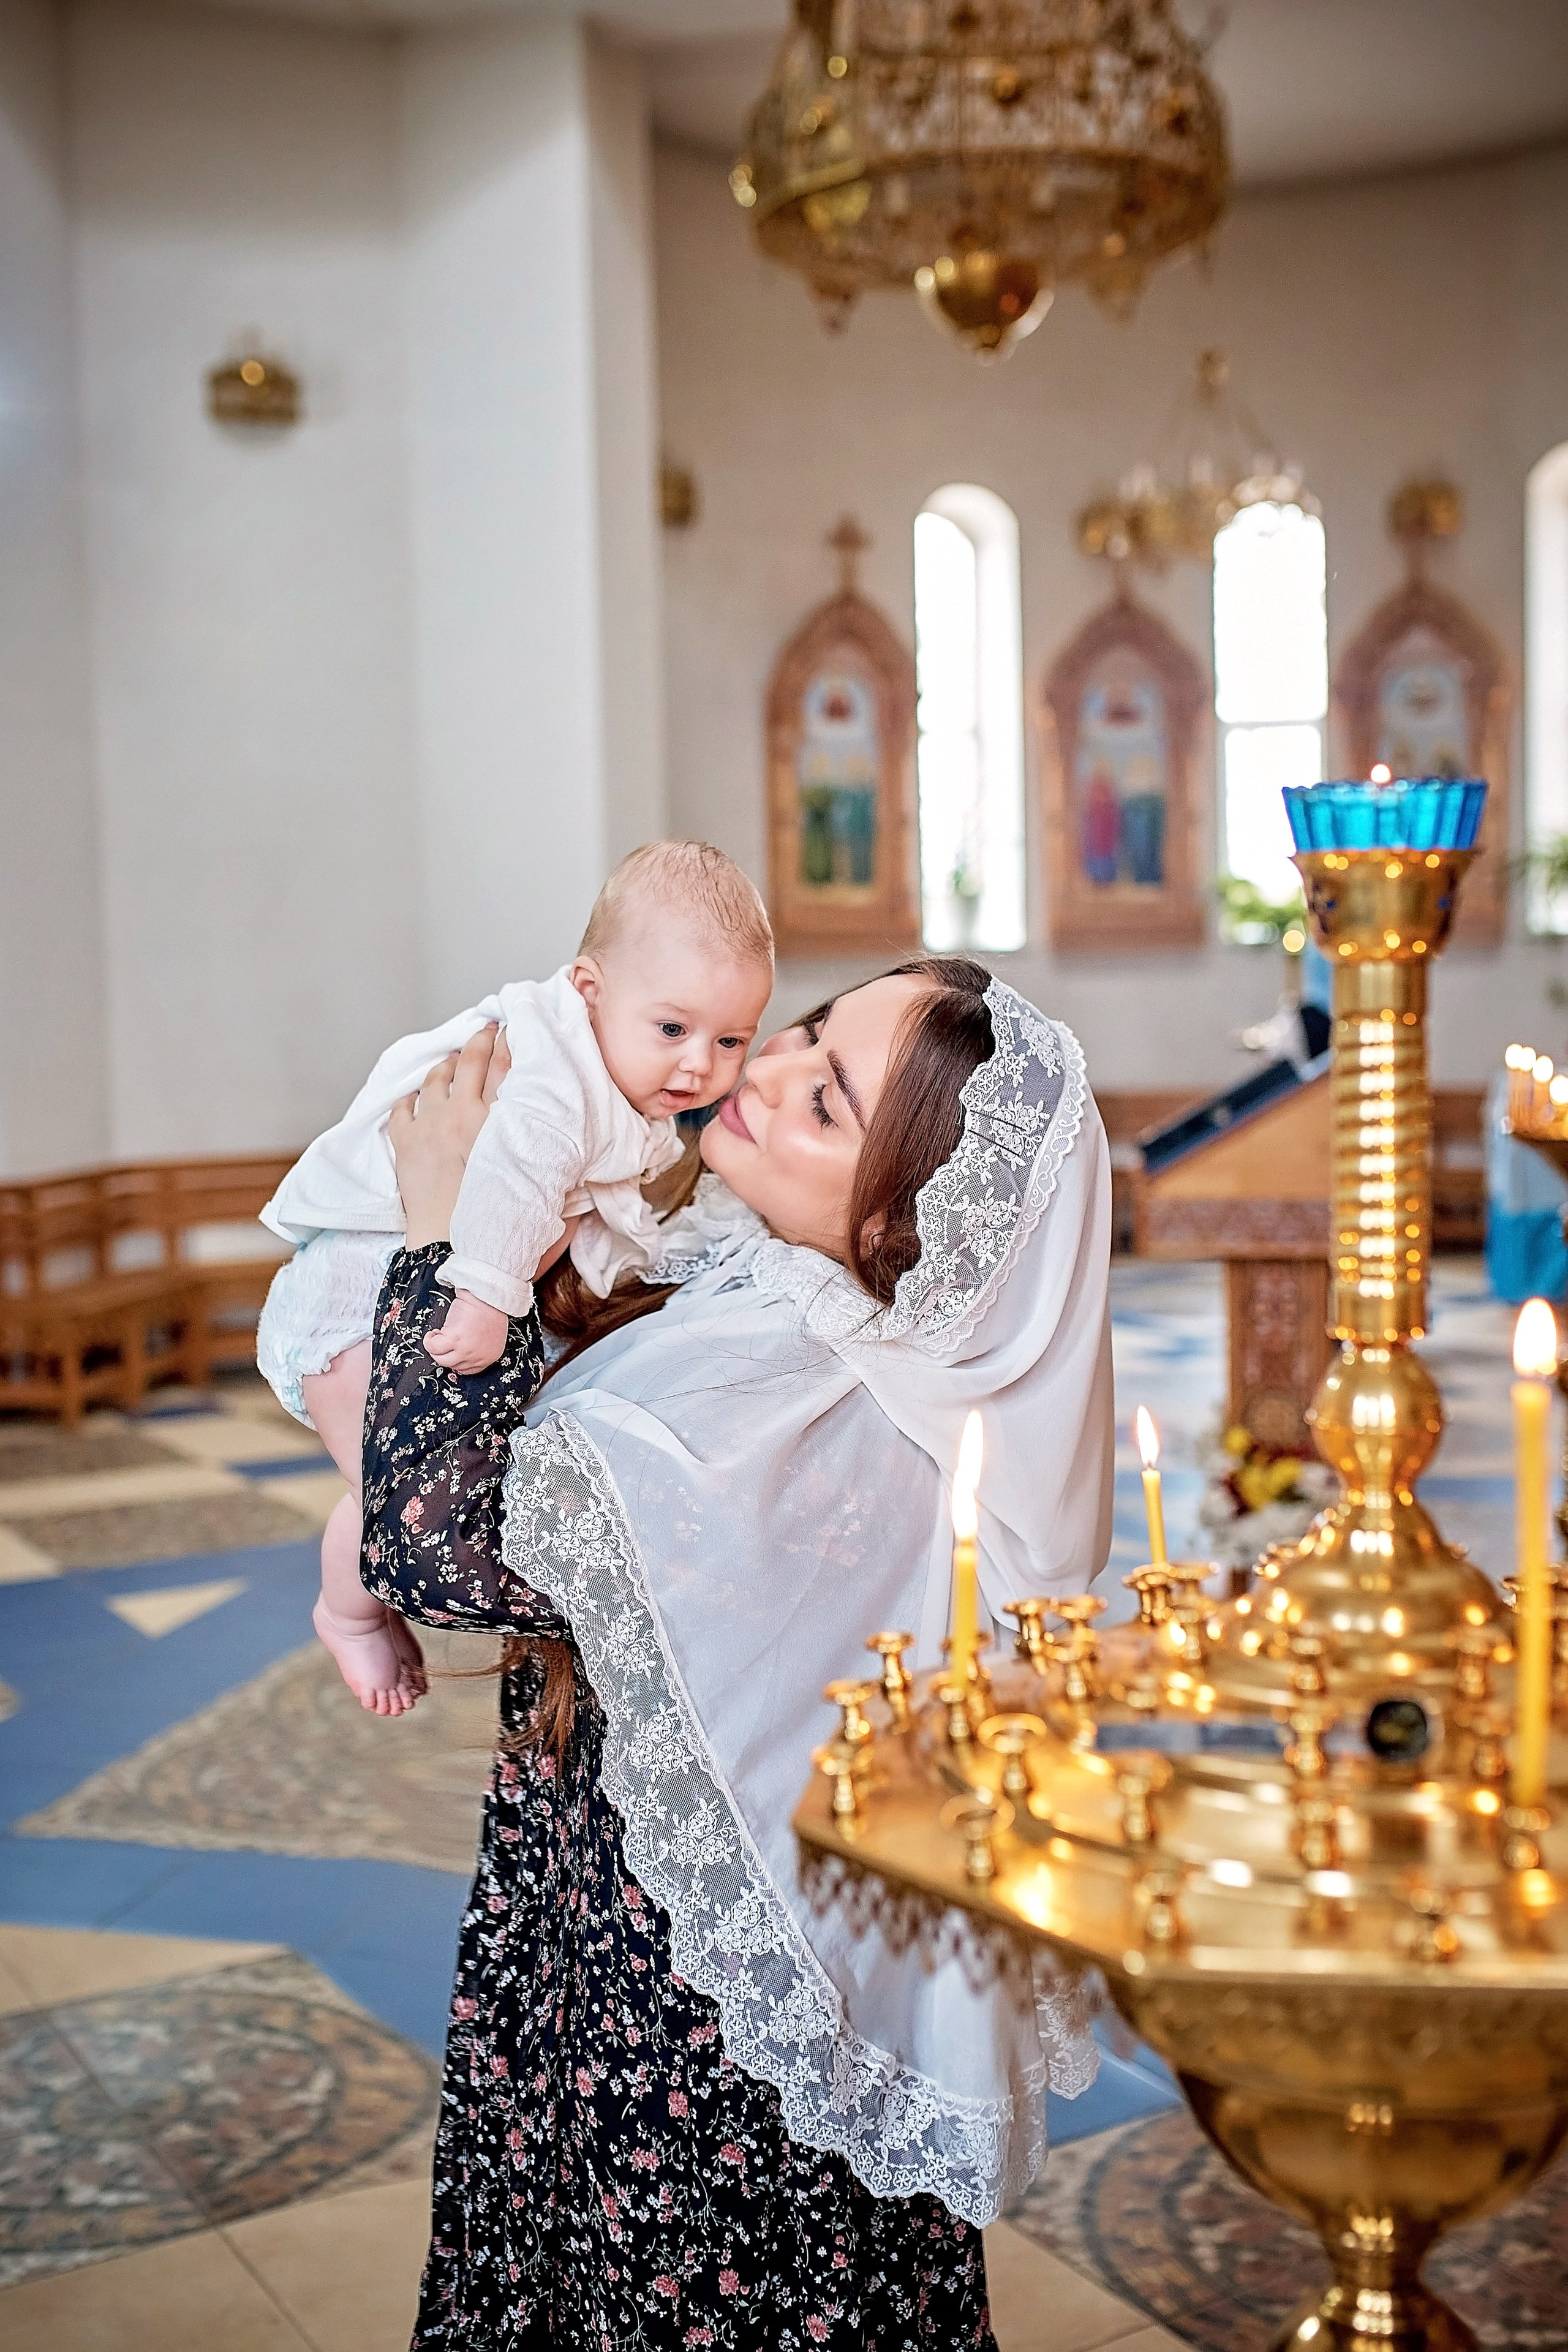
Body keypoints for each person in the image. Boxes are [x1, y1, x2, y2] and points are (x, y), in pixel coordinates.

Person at [363, 956, 1114, 2350]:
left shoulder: (813, 1392)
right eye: (807, 1034)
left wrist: (439, 1240)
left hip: (694, 2023)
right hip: (627, 1930)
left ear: (904, 1219)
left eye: (826, 1099)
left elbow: (438, 1552)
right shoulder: (771, 1294)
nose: (764, 1070)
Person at [255, 842, 774, 1714]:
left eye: (731, 1040)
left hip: (416, 1280)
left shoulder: (620, 1078)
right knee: (393, 1493)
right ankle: (347, 1616)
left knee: (410, 1480)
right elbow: (513, 1183)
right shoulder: (552, 1077)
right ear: (589, 989)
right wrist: (489, 1295)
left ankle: (361, 1605)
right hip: (352, 1300)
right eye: (674, 1030)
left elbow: (593, 1208)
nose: (700, 1066)